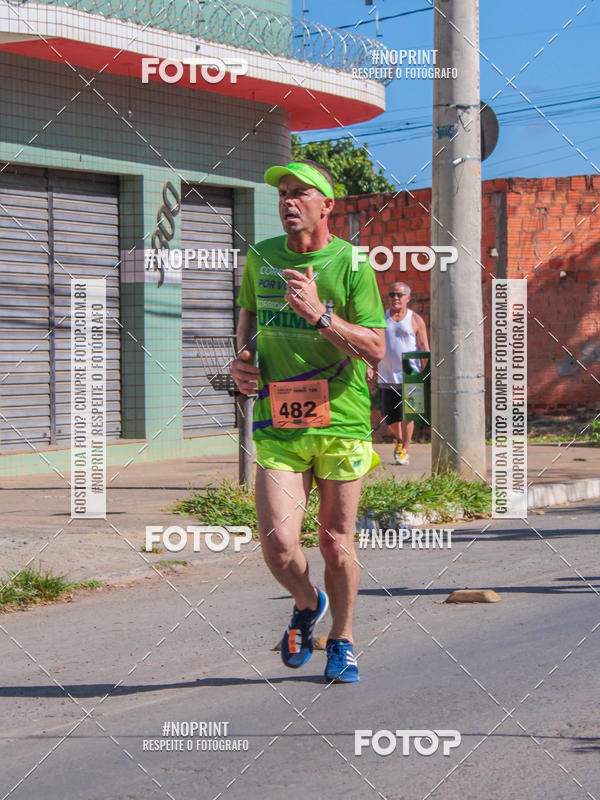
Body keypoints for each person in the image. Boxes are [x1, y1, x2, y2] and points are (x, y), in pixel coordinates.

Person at [230, 159, 386, 683]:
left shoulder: (353, 263)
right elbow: (248, 317)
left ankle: (342, 641)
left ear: (327, 206)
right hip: (280, 419)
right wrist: (243, 363)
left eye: (301, 194)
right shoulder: (261, 257)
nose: (288, 202)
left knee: (336, 543)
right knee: (277, 544)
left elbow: (377, 348)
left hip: (340, 419)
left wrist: (320, 314)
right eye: (283, 195)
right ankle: (306, 600)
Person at [370, 282, 429, 465]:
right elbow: (373, 344)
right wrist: (370, 366)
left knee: (408, 414)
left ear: (408, 298)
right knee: (389, 416)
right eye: (392, 294)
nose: (395, 298)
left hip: (410, 375)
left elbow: (424, 348)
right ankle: (401, 438)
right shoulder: (382, 318)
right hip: (387, 375)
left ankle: (404, 449)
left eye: (399, 295)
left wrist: (426, 374)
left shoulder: (415, 319)